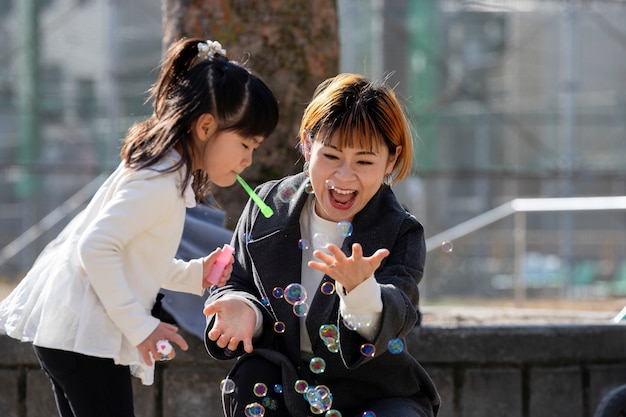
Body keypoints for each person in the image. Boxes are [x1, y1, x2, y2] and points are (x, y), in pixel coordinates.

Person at [0, 38, 279, 417]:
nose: (249, 159)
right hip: (85, 337)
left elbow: (138, 258)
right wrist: (140, 326)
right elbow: (95, 248)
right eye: (246, 143)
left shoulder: (165, 171)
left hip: (73, 333)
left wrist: (195, 274)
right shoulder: (160, 184)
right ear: (206, 126)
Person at [203, 73, 440, 417]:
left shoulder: (399, 231)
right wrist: (243, 308)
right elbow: (235, 280)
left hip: (374, 394)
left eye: (364, 161)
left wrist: (361, 289)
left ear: (391, 160)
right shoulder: (267, 205)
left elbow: (399, 313)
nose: (343, 177)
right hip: (282, 385)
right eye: (330, 156)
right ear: (306, 144)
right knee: (253, 376)